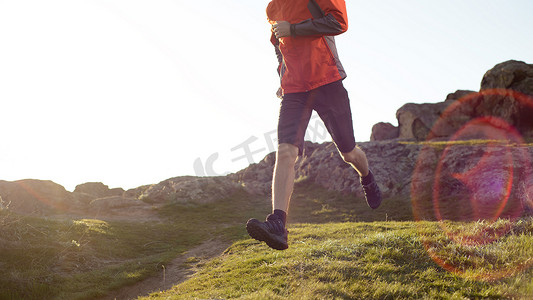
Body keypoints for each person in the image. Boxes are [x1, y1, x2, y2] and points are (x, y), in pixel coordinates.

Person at [246, 0, 382, 251]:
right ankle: (278, 223)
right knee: (286, 152)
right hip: (294, 90)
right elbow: (279, 46)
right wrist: (282, 77)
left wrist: (294, 29)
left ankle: (367, 177)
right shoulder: (272, 8)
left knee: (349, 153)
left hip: (327, 81)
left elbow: (338, 22)